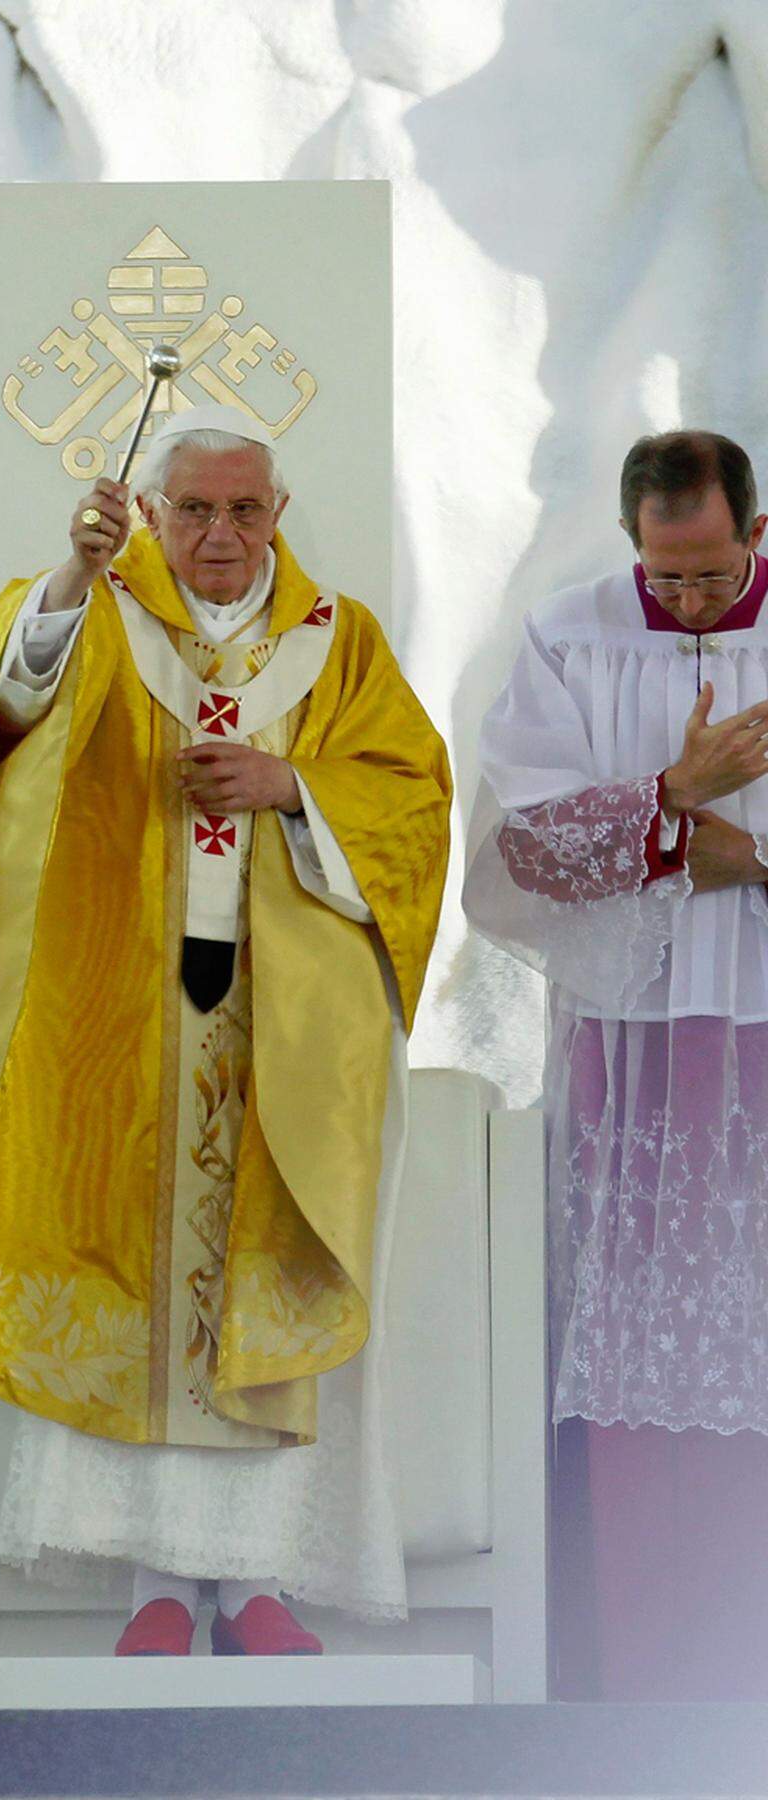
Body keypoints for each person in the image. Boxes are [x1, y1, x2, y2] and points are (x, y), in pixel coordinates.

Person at [0, 404, 450, 1655]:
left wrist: (293, 786)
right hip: (115, 1009)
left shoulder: (339, 640)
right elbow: (14, 696)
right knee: (131, 1276)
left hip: (281, 1020)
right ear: (151, 511)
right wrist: (73, 572)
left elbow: (415, 802)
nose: (220, 533)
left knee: (256, 1280)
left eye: (245, 509)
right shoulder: (92, 602)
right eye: (194, 508)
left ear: (278, 513)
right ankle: (152, 1587)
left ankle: (257, 1585)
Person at [464, 429, 768, 1700]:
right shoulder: (568, 632)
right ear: (632, 538)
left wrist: (746, 858)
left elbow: (725, 854)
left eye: (711, 572)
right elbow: (521, 840)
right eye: (667, 575)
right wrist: (665, 802)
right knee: (645, 1353)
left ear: (754, 530)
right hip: (634, 1039)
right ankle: (647, 1686)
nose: (690, 601)